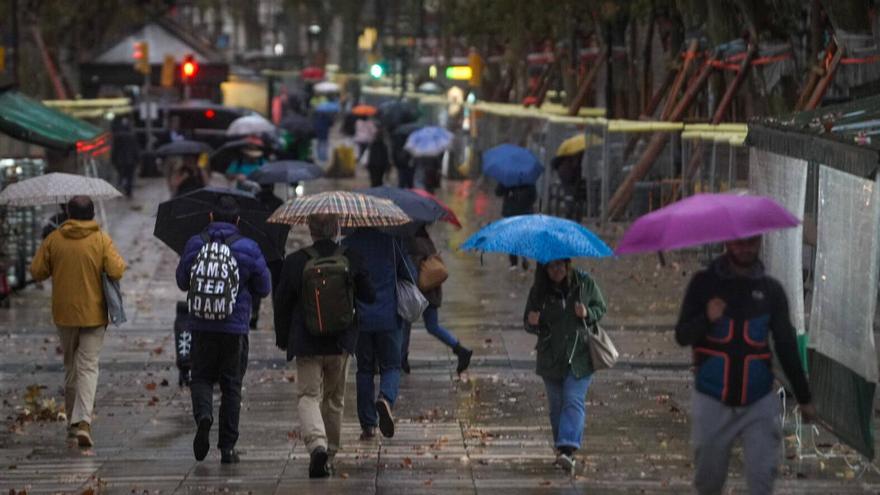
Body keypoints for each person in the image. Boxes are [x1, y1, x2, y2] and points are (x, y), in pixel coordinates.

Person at [676, 236, 816, 494]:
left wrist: (804, 397)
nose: (746, 248)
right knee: (709, 482)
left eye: (751, 242)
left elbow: (786, 345)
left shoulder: (771, 291)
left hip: (759, 401)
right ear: (728, 242)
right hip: (712, 399)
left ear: (760, 241)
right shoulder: (703, 285)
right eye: (739, 243)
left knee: (762, 479)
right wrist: (706, 317)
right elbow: (682, 336)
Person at [274, 213, 375, 478]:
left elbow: (281, 303)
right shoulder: (351, 258)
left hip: (307, 342)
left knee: (308, 396)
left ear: (310, 230)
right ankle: (329, 452)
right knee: (334, 399)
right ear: (337, 229)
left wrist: (284, 339)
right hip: (341, 342)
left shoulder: (295, 261)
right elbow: (370, 295)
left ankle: (316, 445)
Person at [175, 196, 272, 464]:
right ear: (238, 221)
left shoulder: (196, 243)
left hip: (201, 324)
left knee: (201, 377)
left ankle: (204, 415)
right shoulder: (249, 247)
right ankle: (227, 448)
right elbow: (264, 287)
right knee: (232, 385)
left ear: (210, 217)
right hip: (235, 327)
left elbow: (182, 281)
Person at [30, 195, 127, 448]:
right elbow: (117, 270)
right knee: (88, 366)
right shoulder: (101, 239)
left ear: (69, 214)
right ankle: (83, 421)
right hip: (94, 315)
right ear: (92, 214)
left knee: (71, 365)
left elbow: (37, 271)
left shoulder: (54, 239)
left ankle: (73, 423)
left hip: (64, 314)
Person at [523, 258, 605, 474]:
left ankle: (568, 449)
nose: (557, 270)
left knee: (573, 400)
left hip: (579, 355)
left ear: (568, 265)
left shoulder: (584, 283)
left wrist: (587, 313)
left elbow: (600, 307)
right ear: (545, 269)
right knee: (556, 407)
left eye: (560, 265)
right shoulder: (539, 291)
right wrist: (533, 322)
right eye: (551, 266)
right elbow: (528, 322)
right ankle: (562, 450)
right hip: (551, 357)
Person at [342, 228, 412, 440]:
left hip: (361, 318)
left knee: (364, 370)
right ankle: (386, 398)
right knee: (391, 366)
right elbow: (409, 275)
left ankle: (368, 425)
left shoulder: (347, 244)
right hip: (388, 316)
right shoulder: (391, 242)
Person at [401, 225, 471, 374]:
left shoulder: (411, 242)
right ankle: (460, 349)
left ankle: (402, 359)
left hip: (421, 291)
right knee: (432, 326)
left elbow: (411, 268)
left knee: (406, 324)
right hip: (432, 290)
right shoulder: (426, 239)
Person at [495, 183, 537, 270]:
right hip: (517, 213)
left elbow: (533, 196)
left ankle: (516, 263)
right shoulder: (527, 180)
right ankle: (516, 262)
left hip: (518, 213)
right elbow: (498, 192)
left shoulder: (526, 181)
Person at [111, 117, 141, 197]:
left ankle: (121, 189)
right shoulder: (132, 136)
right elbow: (135, 149)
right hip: (130, 160)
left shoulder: (117, 136)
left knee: (121, 176)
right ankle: (128, 191)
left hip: (120, 161)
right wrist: (138, 159)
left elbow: (115, 150)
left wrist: (113, 160)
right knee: (129, 177)